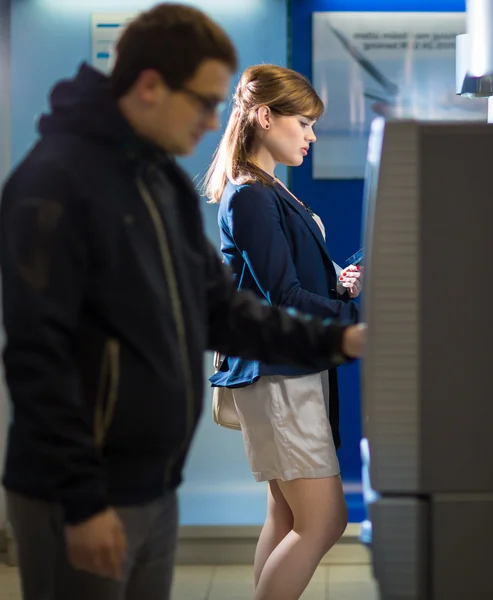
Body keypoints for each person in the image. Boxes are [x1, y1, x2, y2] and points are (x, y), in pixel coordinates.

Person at [0, 7, 366, 600]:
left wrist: (340, 337)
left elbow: (222, 310)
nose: (215, 121)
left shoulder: (157, 180)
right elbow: (42, 360)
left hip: (150, 479)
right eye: (203, 101)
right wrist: (82, 500)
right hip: (85, 492)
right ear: (150, 87)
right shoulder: (55, 184)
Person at [203, 64, 363, 600]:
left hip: (285, 372)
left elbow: (285, 283)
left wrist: (337, 289)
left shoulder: (265, 188)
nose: (312, 135)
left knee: (288, 512)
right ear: (266, 118)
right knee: (324, 521)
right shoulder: (251, 194)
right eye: (304, 123)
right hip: (278, 376)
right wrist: (355, 324)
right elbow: (284, 299)